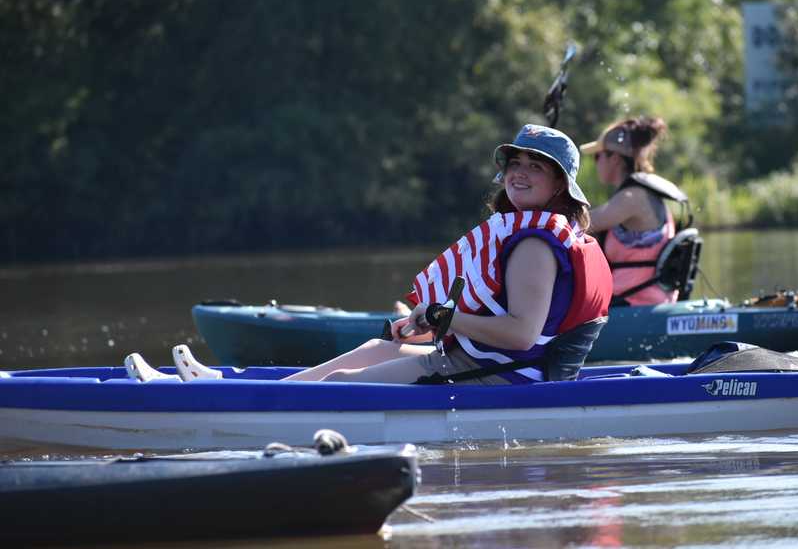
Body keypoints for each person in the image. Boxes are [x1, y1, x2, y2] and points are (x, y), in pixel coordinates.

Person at [126, 124, 613, 385]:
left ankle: (240, 402)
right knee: (372, 348)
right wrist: (435, 323)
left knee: (343, 381)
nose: (519, 173)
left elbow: (523, 333)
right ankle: (242, 392)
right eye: (516, 163)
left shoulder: (532, 244)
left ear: (559, 187)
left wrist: (449, 318)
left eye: (536, 167)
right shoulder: (529, 231)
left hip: (498, 378)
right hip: (477, 359)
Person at [579, 116, 690, 306]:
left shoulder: (633, 197)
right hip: (643, 303)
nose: (595, 162)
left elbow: (581, 224)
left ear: (614, 158)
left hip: (635, 305)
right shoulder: (644, 191)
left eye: (598, 156)